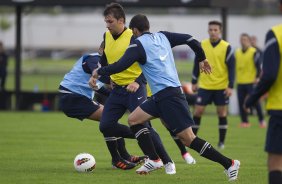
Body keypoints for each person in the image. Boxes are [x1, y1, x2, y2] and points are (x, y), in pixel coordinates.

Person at [90, 14, 240, 181]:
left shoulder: (137, 44)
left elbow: (120, 66)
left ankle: (229, 163)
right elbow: (191, 39)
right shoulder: (163, 36)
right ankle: (154, 159)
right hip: (159, 96)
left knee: (189, 140)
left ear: (134, 30)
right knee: (134, 120)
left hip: (170, 96)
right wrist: (202, 57)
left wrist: (99, 71)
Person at [98, 3, 176, 174]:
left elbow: (148, 61)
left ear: (121, 21)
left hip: (135, 89)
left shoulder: (134, 37)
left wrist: (138, 80)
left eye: (110, 21)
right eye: (106, 21)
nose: (107, 25)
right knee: (106, 126)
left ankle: (167, 161)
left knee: (143, 124)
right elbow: (104, 61)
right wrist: (104, 78)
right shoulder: (106, 35)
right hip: (117, 90)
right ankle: (143, 137)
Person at [58, 43, 146, 170]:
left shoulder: (105, 64)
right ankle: (121, 155)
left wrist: (119, 95)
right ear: (102, 49)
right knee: (108, 120)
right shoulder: (94, 59)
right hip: (71, 97)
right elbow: (96, 72)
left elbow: (100, 88)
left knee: (110, 121)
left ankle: (124, 156)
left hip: (74, 97)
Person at [245, 1, 282, 182]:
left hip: (280, 108)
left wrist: (252, 99)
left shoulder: (276, 34)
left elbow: (269, 75)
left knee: (276, 161)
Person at [191, 21, 235, 149]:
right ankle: (192, 140)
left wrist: (230, 86)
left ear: (220, 31)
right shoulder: (202, 44)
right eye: (211, 29)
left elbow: (232, 68)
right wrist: (194, 81)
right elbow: (196, 63)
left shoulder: (227, 47)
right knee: (198, 111)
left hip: (221, 86)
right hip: (205, 85)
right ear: (208, 30)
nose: (213, 32)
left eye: (215, 30)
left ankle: (221, 142)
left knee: (221, 113)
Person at [147, 86, 196, 164]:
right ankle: (153, 158)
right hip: (142, 93)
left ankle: (184, 152)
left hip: (157, 93)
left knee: (169, 124)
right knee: (144, 127)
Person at [235, 33, 266, 128]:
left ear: (248, 41)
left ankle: (261, 120)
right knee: (240, 102)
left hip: (251, 82)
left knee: (255, 101)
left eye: (245, 40)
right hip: (240, 82)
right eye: (241, 39)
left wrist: (257, 78)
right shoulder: (237, 52)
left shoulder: (254, 52)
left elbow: (259, 67)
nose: (243, 41)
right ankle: (245, 122)